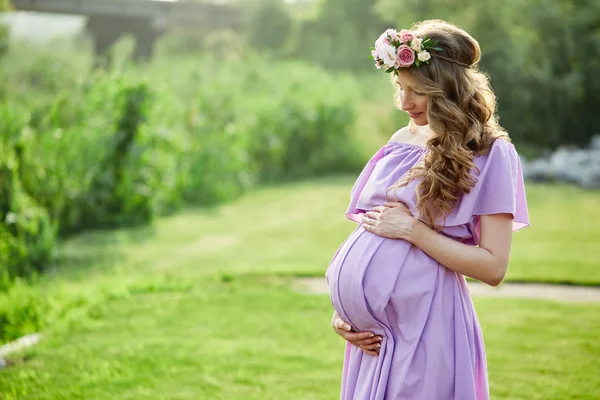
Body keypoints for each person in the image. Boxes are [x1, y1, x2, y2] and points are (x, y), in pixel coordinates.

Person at [325, 20, 530, 400]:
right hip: (373, 339)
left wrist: (413, 231)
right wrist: (348, 315)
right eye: (400, 88)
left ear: (447, 89)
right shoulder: (401, 139)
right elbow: (372, 227)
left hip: (425, 325)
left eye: (416, 91)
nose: (404, 103)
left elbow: (493, 267)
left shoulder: (491, 153)